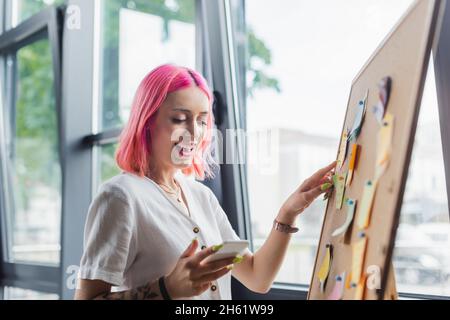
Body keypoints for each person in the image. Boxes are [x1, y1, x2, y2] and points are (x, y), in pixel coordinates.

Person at [74, 64, 335, 300]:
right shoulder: (120, 196)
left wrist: (288, 213)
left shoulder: (201, 196)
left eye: (201, 121)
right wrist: (165, 289)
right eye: (179, 118)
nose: (195, 132)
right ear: (147, 121)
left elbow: (257, 276)